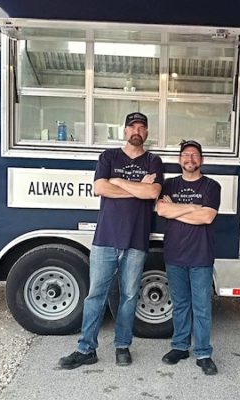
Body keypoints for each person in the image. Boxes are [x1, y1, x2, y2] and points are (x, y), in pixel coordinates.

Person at [59, 112, 163, 369]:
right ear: (124, 131)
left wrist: (118, 181)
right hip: (105, 239)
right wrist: (135, 186)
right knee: (96, 295)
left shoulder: (154, 161)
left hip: (137, 240)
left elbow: (152, 192)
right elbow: (100, 188)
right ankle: (86, 349)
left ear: (146, 133)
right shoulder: (109, 156)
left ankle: (122, 345)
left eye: (141, 127)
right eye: (132, 127)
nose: (136, 130)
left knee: (128, 296)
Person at [156, 140, 221, 376]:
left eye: (194, 155)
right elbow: (162, 210)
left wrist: (179, 209)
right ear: (179, 159)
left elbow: (207, 217)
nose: (190, 159)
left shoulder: (212, 186)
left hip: (201, 256)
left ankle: (203, 353)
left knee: (202, 307)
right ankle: (180, 347)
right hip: (174, 255)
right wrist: (193, 207)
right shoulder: (169, 184)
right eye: (186, 155)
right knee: (181, 304)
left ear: (201, 160)